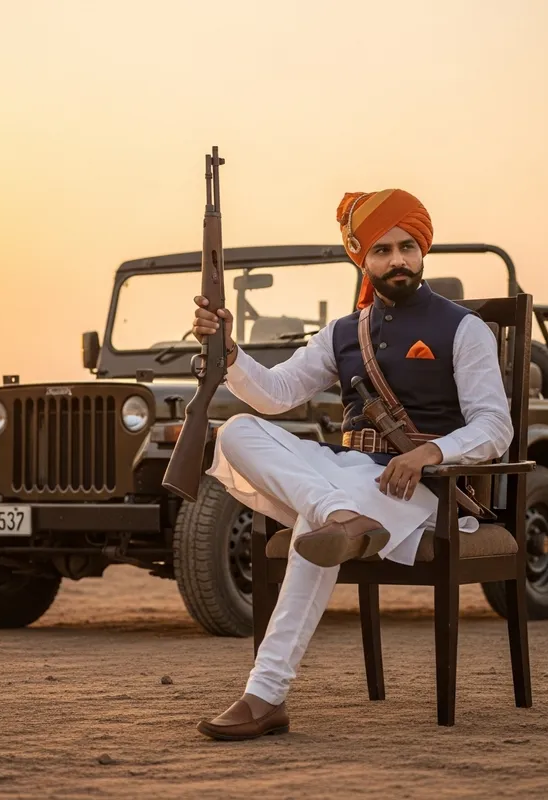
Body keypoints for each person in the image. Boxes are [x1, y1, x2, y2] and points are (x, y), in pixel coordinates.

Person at [191, 189, 513, 741]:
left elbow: (494, 428)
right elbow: (275, 393)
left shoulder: (465, 329)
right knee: (238, 431)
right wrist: (230, 354)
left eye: (407, 247)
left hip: (418, 490)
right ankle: (338, 514)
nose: (397, 260)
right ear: (362, 258)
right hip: (345, 476)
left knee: (314, 528)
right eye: (382, 250)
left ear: (422, 250)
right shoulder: (344, 331)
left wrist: (427, 452)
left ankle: (264, 696)